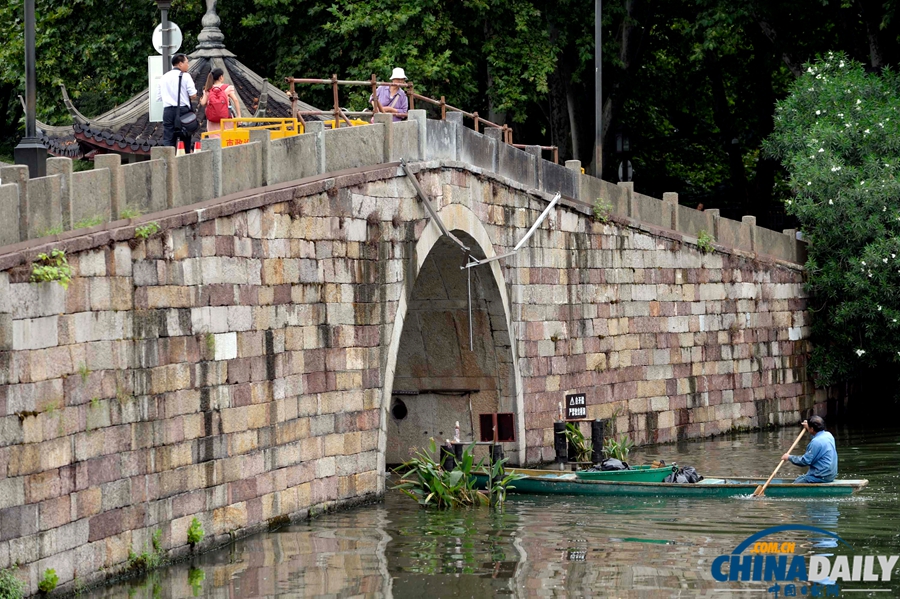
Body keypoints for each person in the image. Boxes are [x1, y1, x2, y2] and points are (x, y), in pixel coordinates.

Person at [155, 54, 199, 153]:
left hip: (168, 111)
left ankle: (168, 161)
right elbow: (193, 95)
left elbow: (159, 97)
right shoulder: (186, 76)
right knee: (185, 136)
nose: (188, 65)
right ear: (180, 63)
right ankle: (185, 158)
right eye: (186, 63)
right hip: (183, 110)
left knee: (168, 138)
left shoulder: (163, 77)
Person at [781, 416, 837, 483]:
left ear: (812, 429)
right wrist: (809, 428)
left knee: (796, 484)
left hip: (821, 477)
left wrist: (789, 457)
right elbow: (816, 437)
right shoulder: (828, 435)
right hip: (830, 475)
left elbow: (805, 461)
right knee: (800, 478)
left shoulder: (816, 442)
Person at [199, 68, 241, 139]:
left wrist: (201, 99)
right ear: (221, 77)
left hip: (212, 121)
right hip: (226, 119)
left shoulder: (208, 89)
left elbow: (203, 103)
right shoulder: (227, 88)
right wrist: (239, 115)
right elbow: (236, 100)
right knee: (227, 140)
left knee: (214, 140)